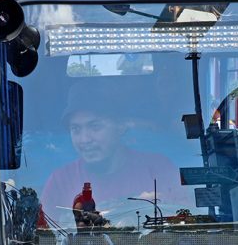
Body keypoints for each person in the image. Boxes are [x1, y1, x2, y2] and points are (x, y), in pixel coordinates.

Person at [40, 82, 185, 229]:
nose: (84, 139)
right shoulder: (59, 182)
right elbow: (45, 239)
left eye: (95, 126)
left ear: (120, 126)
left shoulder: (158, 170)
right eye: (76, 129)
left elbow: (187, 223)